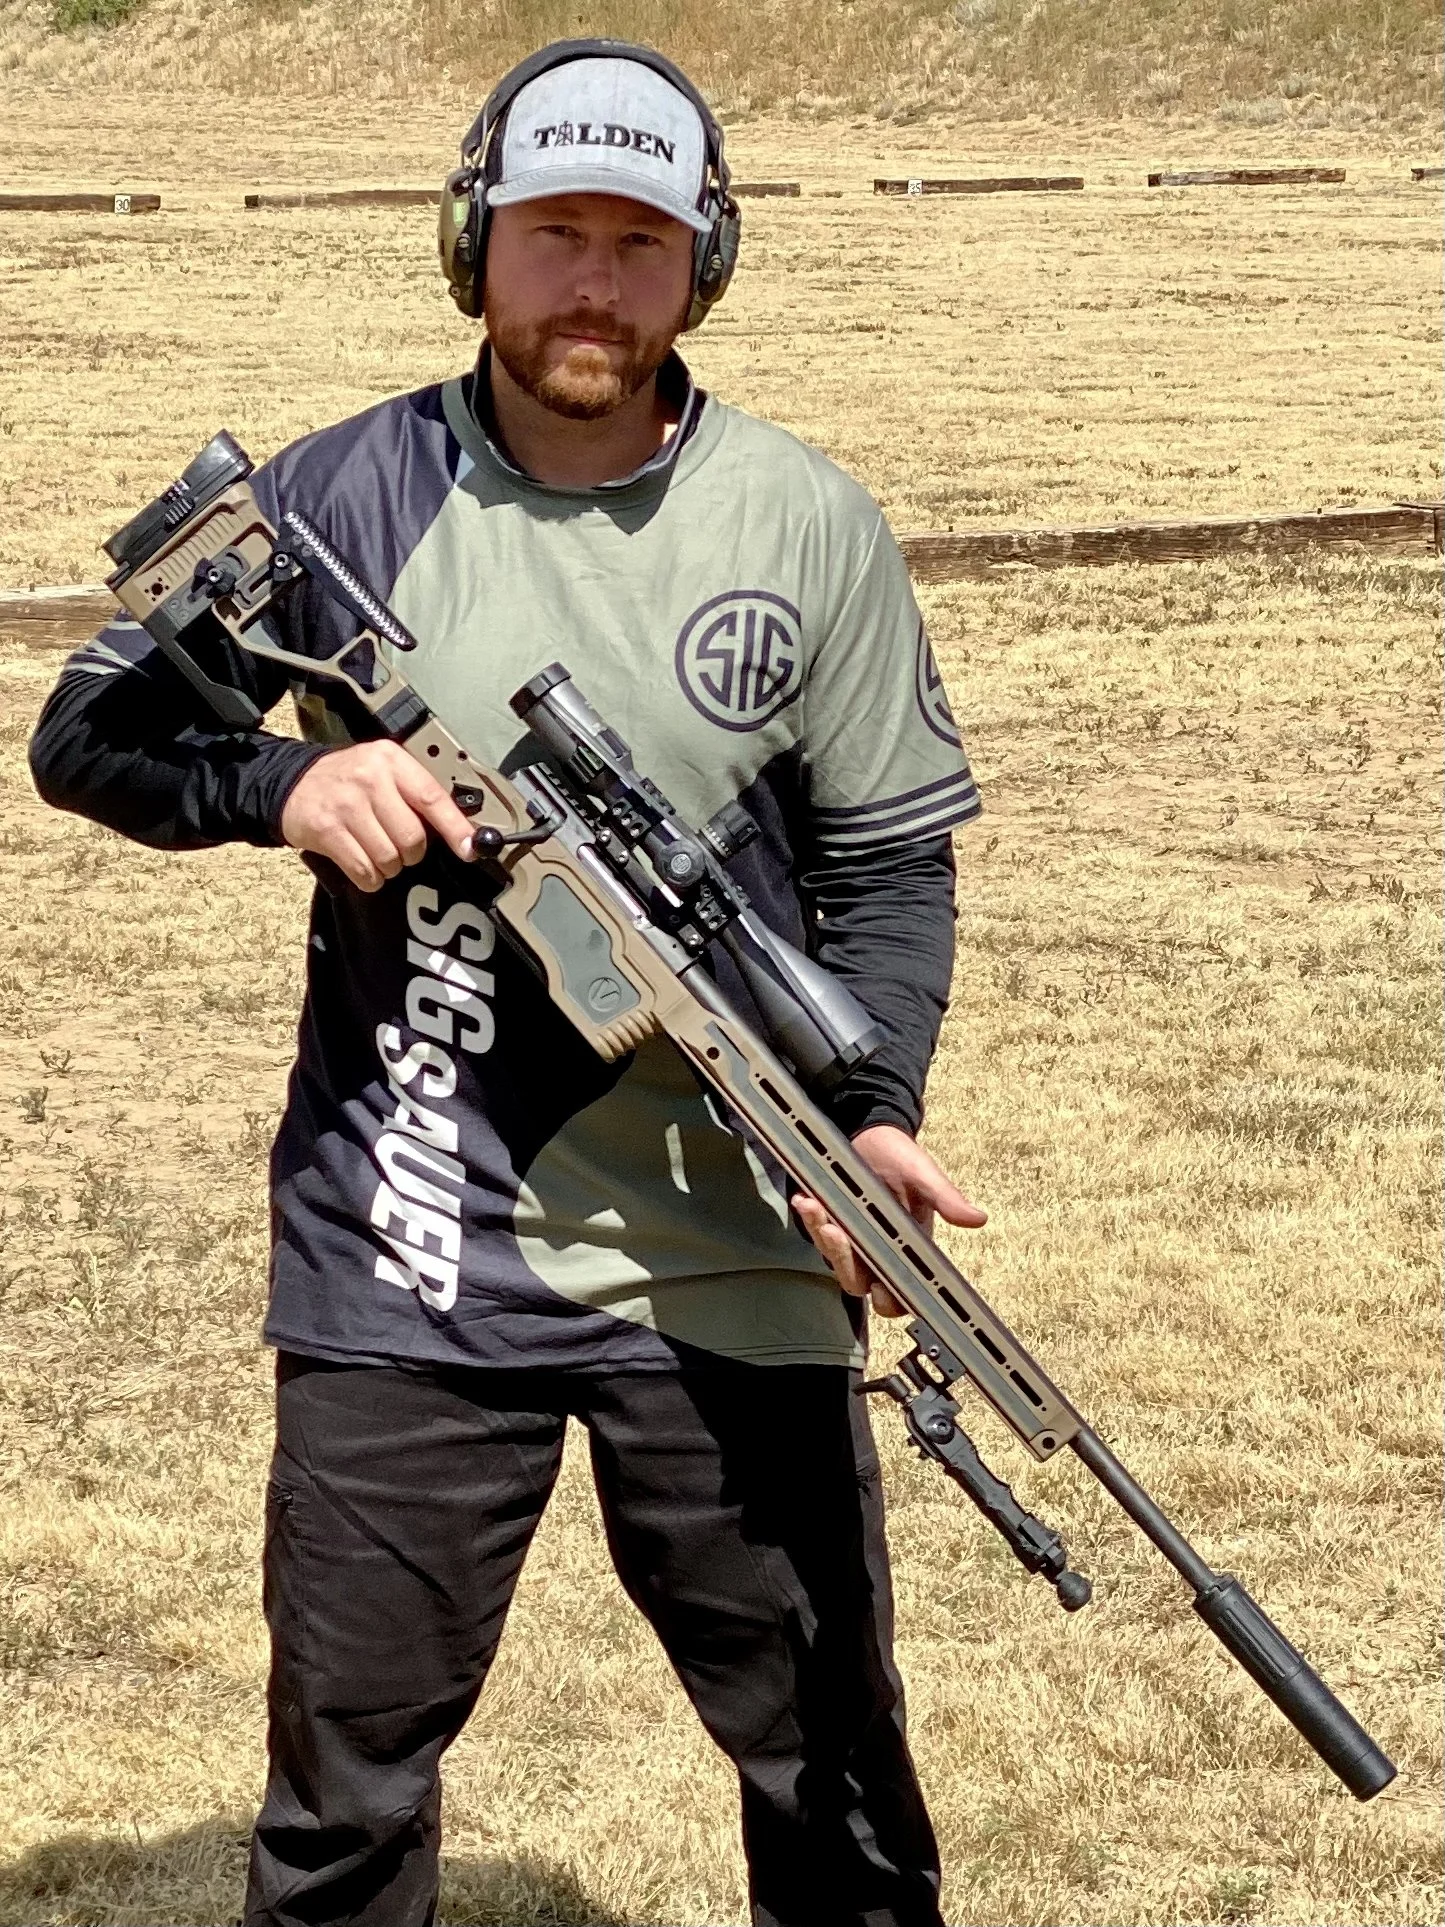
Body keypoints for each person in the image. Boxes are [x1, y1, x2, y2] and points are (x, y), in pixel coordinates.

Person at [29, 39, 988, 1927]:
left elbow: (888, 864)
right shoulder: (335, 501)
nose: (595, 282)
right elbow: (87, 729)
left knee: (840, 1782)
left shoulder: (808, 526)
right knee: (346, 1796)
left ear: (701, 265)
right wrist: (285, 778)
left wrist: (868, 1112)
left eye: (639, 241)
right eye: (557, 232)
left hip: (732, 1241)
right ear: (475, 243)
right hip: (408, 1238)